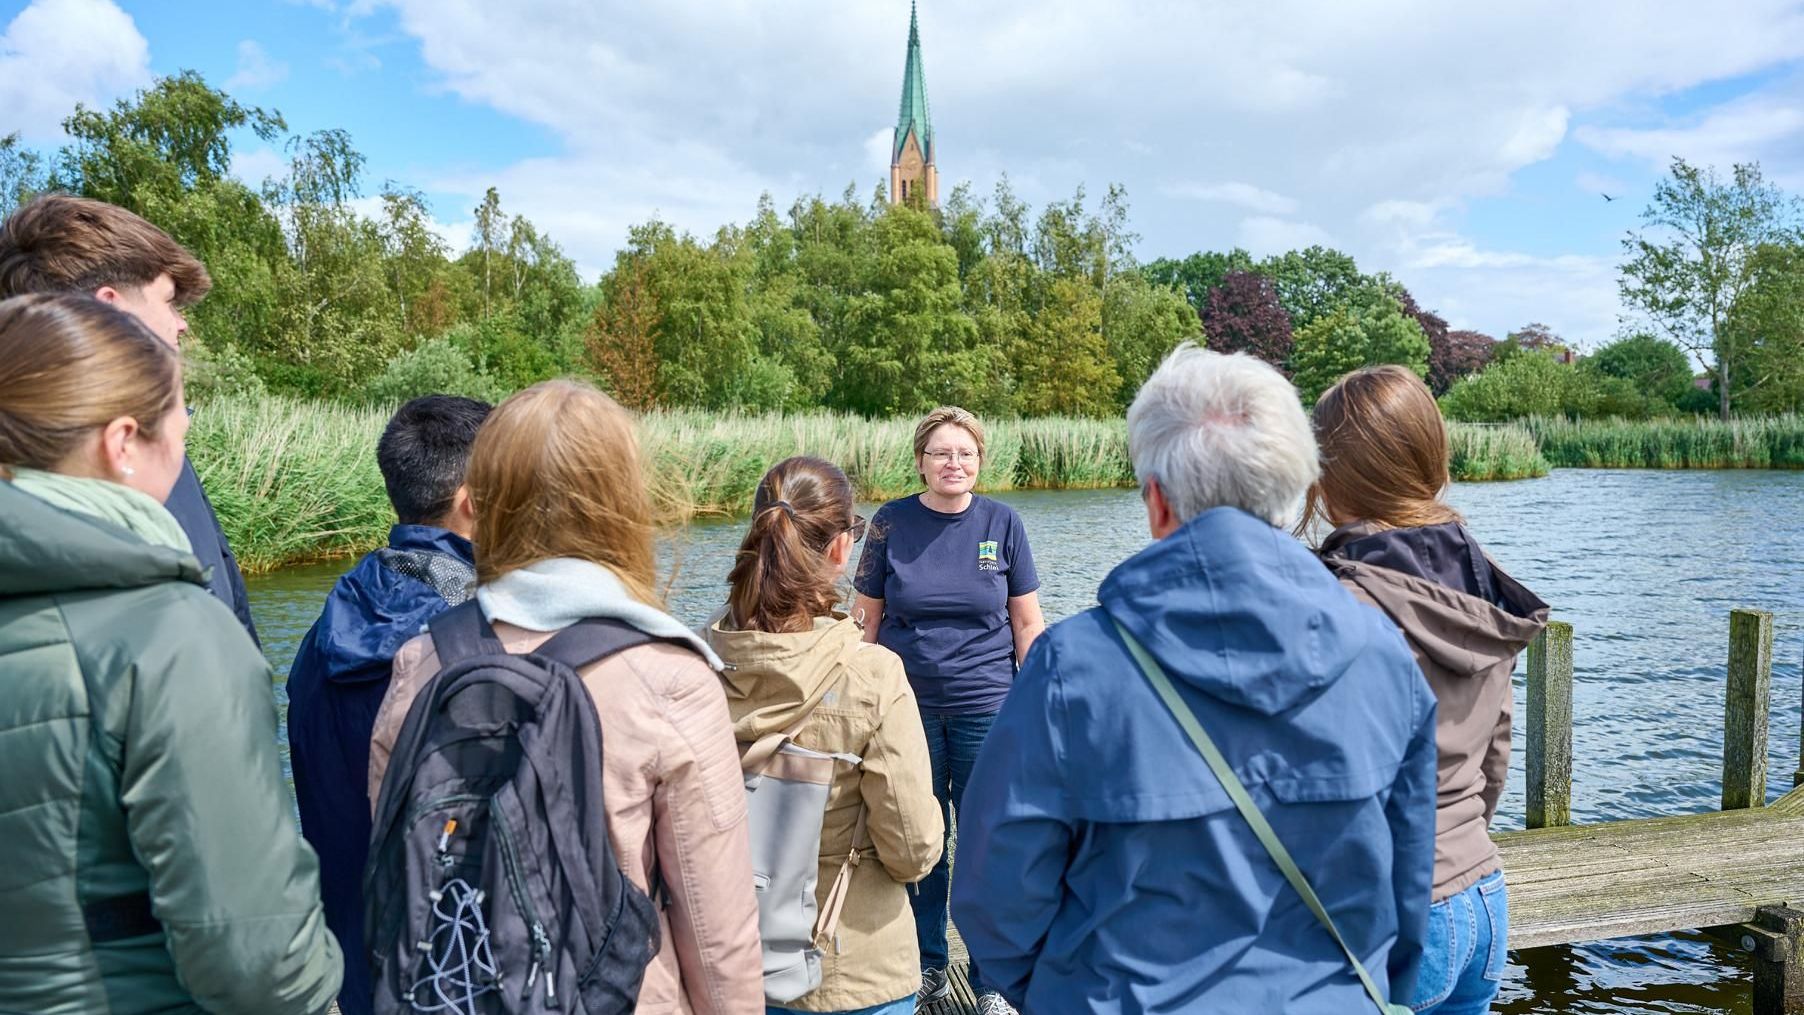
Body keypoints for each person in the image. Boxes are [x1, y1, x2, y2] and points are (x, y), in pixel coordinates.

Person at [950, 344, 1437, 1013]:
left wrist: (1065, 991)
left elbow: (995, 892)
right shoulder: (1382, 655)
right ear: (1295, 493)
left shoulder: (1073, 666)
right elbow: (1409, 891)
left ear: (1156, 502)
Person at [367, 379, 763, 1014]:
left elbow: (394, 867)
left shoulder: (423, 661)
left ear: (484, 500)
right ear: (623, 502)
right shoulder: (669, 677)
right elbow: (717, 931)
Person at [0, 293, 341, 1013]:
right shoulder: (171, 636)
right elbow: (259, 965)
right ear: (122, 442)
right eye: (180, 409)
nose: (186, 427)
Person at [1307, 365, 1549, 1015]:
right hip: (1483, 893)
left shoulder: (1339, 606)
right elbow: (1495, 754)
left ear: (1328, 476)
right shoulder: (1484, 588)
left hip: (1396, 909)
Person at [705, 456, 943, 1015]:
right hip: (853, 968)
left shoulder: (692, 667)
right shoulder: (872, 676)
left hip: (723, 961)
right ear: (841, 548)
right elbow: (912, 851)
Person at [287, 393, 491, 1015]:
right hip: (459, 971)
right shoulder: (477, 636)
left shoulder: (322, 633)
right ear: (473, 501)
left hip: (352, 964)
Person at [850, 406, 1044, 1015]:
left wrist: (1038, 701)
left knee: (988, 844)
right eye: (941, 453)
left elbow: (1027, 624)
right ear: (920, 461)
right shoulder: (889, 523)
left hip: (988, 707)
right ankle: (928, 966)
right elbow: (864, 623)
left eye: (965, 453)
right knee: (919, 838)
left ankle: (991, 981)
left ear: (979, 460)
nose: (953, 463)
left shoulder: (1003, 523)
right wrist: (853, 701)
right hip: (903, 711)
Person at [0, 194, 258, 643]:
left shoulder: (149, 446)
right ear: (111, 308)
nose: (181, 324)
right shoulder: (142, 453)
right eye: (169, 301)